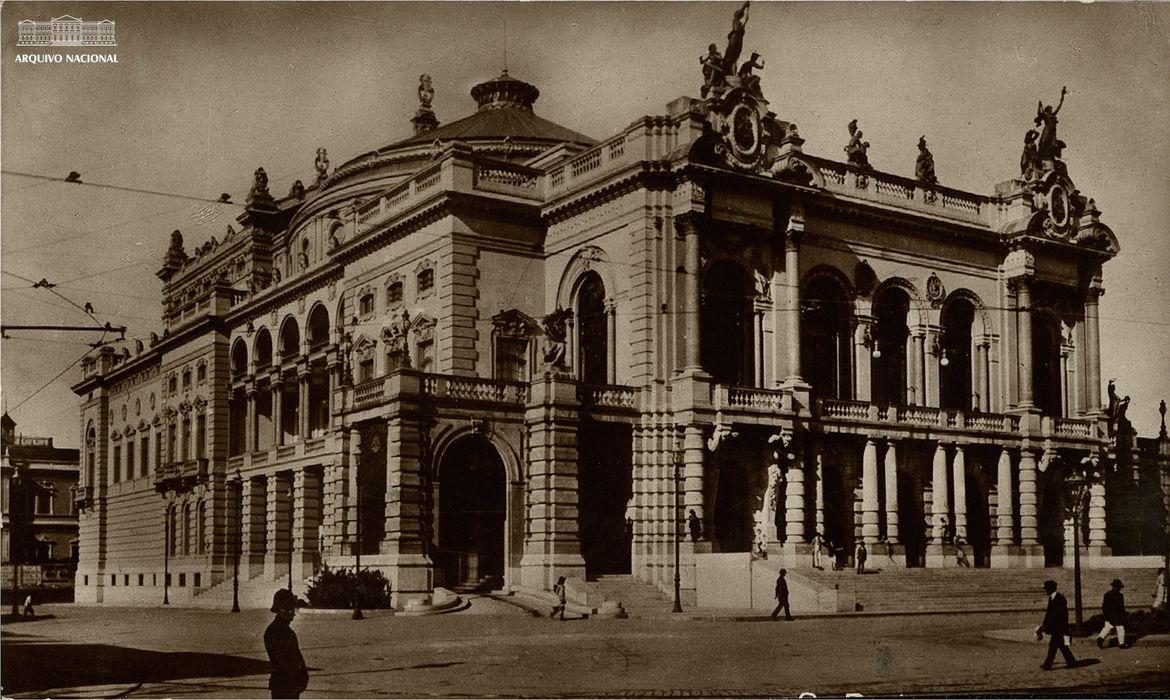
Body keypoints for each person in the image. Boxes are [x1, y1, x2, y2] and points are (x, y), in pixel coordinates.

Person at [264, 589, 309, 699]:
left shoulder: (286, 631)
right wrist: (297, 677)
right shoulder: (274, 632)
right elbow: (281, 661)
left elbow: (297, 656)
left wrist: (303, 675)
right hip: (284, 685)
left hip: (291, 685)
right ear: (282, 611)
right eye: (291, 610)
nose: (293, 613)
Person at [1036, 580, 1078, 670]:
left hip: (1059, 628)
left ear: (1050, 589)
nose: (1045, 591)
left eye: (1046, 589)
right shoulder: (1052, 598)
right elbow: (1049, 614)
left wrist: (1058, 628)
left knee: (1054, 646)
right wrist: (1044, 626)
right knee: (1061, 646)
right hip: (1056, 628)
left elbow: (1061, 615)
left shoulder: (1060, 599)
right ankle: (1071, 662)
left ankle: (1048, 665)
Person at [1097, 579, 1128, 649]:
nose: (1120, 589)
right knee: (1120, 629)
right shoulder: (1120, 596)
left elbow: (1104, 606)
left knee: (1107, 628)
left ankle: (1100, 638)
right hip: (1117, 615)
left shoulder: (1107, 594)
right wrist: (1123, 615)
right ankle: (1121, 643)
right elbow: (1121, 607)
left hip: (1110, 615)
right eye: (1119, 587)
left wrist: (1106, 615)